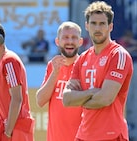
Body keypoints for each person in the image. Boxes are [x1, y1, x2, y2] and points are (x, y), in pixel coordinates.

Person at [62, 1, 133, 141]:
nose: (97, 28)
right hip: (84, 135)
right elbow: (66, 99)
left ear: (110, 27)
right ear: (87, 26)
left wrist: (80, 99)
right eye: (93, 23)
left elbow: (105, 98)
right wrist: (90, 93)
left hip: (111, 135)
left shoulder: (118, 55)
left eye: (102, 24)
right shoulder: (82, 59)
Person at [0, 21, 35, 141]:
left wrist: (8, 132)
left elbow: (17, 98)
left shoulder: (9, 61)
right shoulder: (3, 61)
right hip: (10, 127)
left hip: (15, 129)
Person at [36, 21, 83, 141]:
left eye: (74, 37)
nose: (70, 42)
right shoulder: (52, 66)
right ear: (57, 41)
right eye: (65, 37)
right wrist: (55, 72)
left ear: (80, 41)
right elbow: (40, 100)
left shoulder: (86, 66)